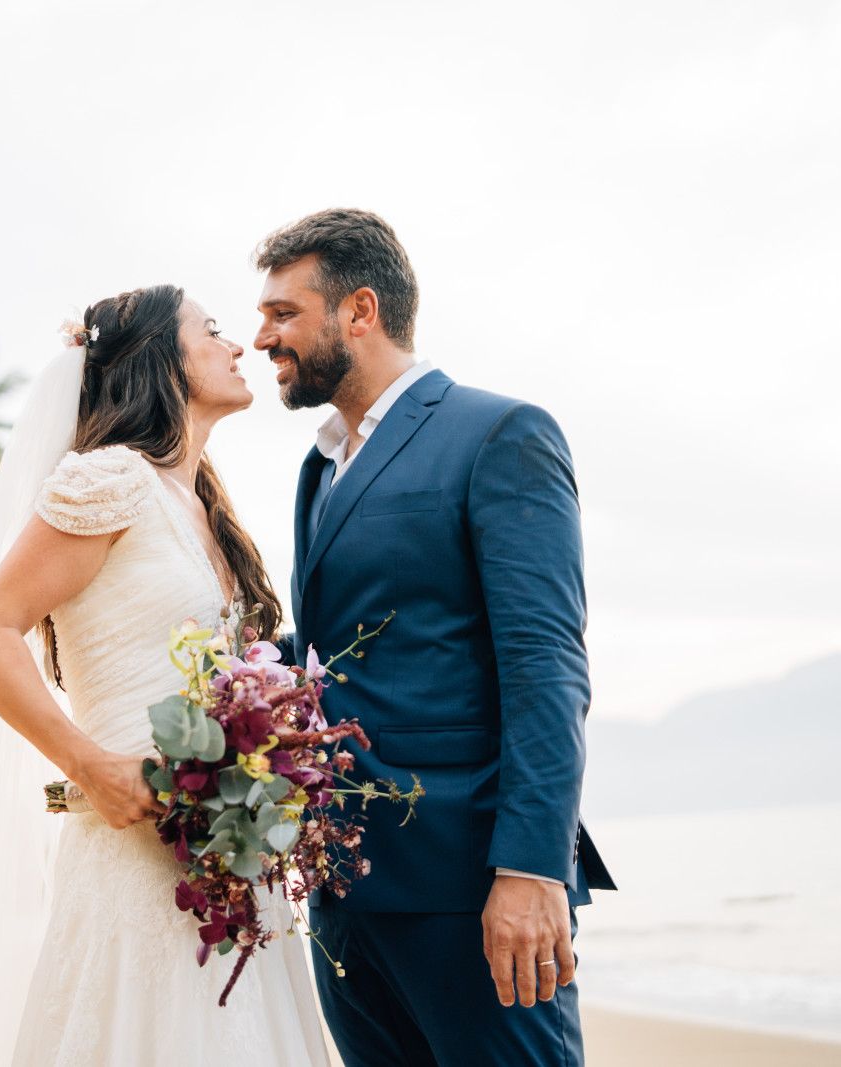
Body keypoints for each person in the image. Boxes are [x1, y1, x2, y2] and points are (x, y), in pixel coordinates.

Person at [0, 284, 328, 1065]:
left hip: (229, 864)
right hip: (133, 853)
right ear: (161, 360)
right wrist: (90, 765)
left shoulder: (206, 507)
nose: (237, 344)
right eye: (211, 330)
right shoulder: (111, 480)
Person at [254, 207, 617, 1067]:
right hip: (344, 893)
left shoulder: (499, 434)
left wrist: (530, 868)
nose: (263, 337)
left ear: (360, 310)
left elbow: (545, 663)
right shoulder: (319, 467)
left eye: (283, 313)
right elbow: (341, 646)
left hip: (470, 885)